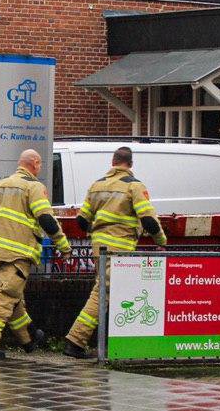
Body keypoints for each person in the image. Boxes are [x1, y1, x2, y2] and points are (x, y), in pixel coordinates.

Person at [63, 146, 167, 359]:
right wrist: (161, 241)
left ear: (113, 162)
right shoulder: (134, 186)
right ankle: (75, 341)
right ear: (130, 164)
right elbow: (148, 219)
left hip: (98, 247)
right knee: (104, 292)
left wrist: (97, 231)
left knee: (111, 291)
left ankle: (117, 341)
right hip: (119, 249)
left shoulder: (97, 185)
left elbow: (82, 220)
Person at [0, 149, 70, 361]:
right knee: (5, 300)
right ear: (34, 163)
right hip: (18, 255)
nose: (40, 167)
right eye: (41, 164)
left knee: (14, 300)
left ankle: (29, 339)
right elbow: (46, 219)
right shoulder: (33, 188)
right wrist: (63, 246)